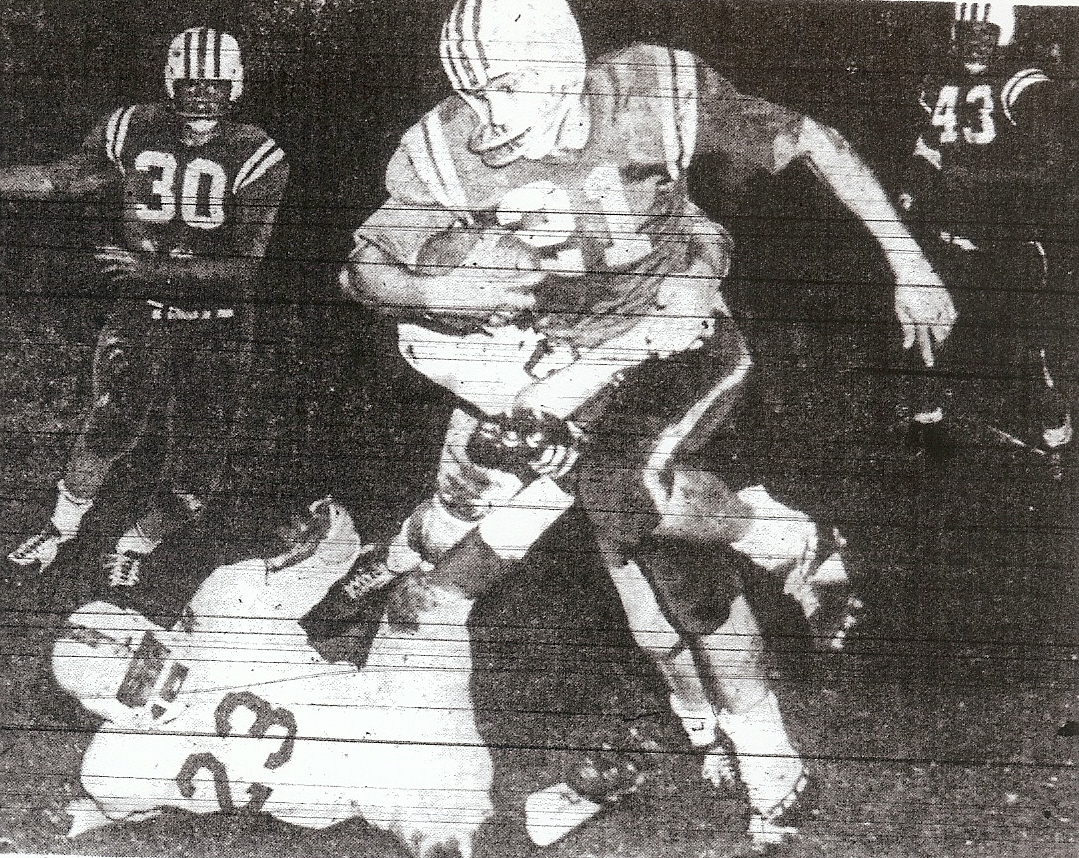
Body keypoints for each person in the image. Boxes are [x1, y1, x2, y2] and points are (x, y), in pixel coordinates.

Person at [339, 0, 956, 844]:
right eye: (472, 94)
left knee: (616, 488)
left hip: (675, 339)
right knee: (650, 591)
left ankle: (781, 567)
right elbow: (362, 271)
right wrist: (431, 289)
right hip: (573, 373)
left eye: (502, 89)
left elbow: (810, 140)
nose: (484, 117)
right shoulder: (448, 160)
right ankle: (725, 721)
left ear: (560, 67)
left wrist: (909, 263)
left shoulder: (650, 92)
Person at [1, 27, 289, 587]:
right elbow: (62, 178)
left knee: (199, 457)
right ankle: (59, 530)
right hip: (142, 310)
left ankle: (137, 542)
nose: (201, 95)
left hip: (216, 321)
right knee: (109, 424)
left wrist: (153, 269)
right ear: (170, 82)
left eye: (214, 84)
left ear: (234, 86)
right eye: (190, 83)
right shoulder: (134, 127)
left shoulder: (259, 153)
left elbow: (244, 266)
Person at [54, 499, 495, 858]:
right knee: (430, 592)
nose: (160, 681)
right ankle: (490, 508)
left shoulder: (112, 768)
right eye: (138, 683)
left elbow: (333, 548)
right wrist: (326, 537)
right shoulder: (224, 602)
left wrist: (319, 533)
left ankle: (463, 515)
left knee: (423, 592)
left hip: (381, 725)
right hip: (393, 757)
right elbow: (336, 546)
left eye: (151, 659)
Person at [896, 1, 1073, 462]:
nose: (974, 43)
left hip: (1006, 247)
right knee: (924, 328)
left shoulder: (1022, 83)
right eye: (966, 33)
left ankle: (1057, 437)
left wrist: (977, 176)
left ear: (1004, 36)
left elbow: (1054, 163)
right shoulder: (939, 83)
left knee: (1019, 353)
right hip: (948, 240)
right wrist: (913, 187)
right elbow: (927, 149)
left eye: (985, 34)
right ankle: (927, 426)